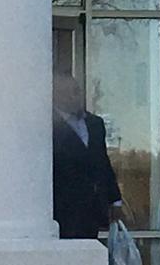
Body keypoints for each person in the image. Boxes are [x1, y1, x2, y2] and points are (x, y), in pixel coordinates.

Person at [52, 71, 124, 241]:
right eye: (65, 92)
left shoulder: (95, 124)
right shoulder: (47, 126)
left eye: (76, 91)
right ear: (55, 96)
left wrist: (115, 199)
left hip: (91, 208)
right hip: (62, 207)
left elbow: (102, 162)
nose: (73, 97)